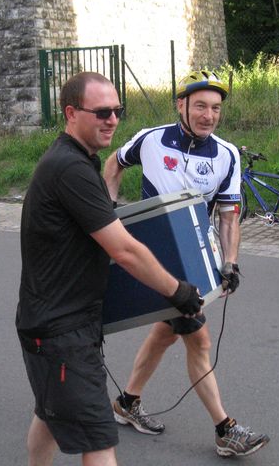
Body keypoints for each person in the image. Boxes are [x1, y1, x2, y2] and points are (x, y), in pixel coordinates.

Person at [16, 71, 204, 466]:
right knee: (100, 440)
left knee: (50, 413)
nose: (113, 120)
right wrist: (179, 293)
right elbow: (125, 252)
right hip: (62, 331)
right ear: (71, 113)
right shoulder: (70, 169)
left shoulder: (75, 161)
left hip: (50, 325)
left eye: (118, 110)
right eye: (101, 112)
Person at [103, 70, 270, 458]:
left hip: (196, 259)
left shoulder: (226, 154)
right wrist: (108, 212)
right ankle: (225, 429)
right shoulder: (151, 139)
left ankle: (127, 403)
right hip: (154, 260)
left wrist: (231, 263)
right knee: (198, 337)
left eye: (215, 108)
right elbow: (113, 163)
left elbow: (228, 214)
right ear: (181, 105)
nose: (208, 115)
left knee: (167, 331)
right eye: (200, 106)